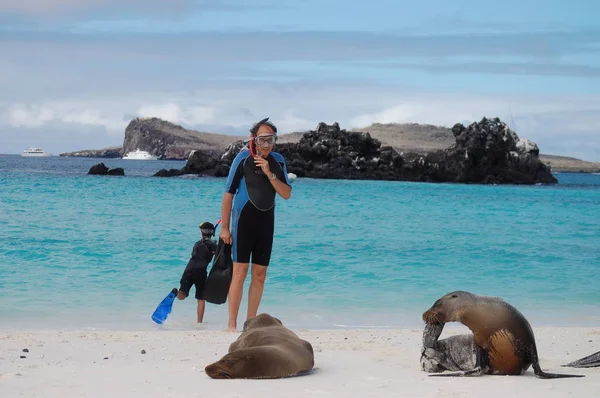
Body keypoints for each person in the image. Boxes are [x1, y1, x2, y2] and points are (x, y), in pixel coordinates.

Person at [219, 117, 292, 332]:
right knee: (239, 272)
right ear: (254, 139)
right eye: (263, 140)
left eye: (271, 140)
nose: (267, 145)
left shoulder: (278, 161)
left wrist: (270, 173)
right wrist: (225, 228)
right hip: (243, 223)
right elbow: (228, 194)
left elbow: (286, 194)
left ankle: (250, 324)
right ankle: (232, 325)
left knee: (259, 275)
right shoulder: (242, 159)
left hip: (266, 223)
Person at [176, 221, 218, 323]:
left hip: (188, 269)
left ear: (201, 233)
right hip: (201, 272)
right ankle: (199, 323)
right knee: (201, 298)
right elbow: (219, 256)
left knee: (182, 296)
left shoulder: (196, 244)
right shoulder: (213, 245)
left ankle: (175, 293)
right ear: (212, 233)